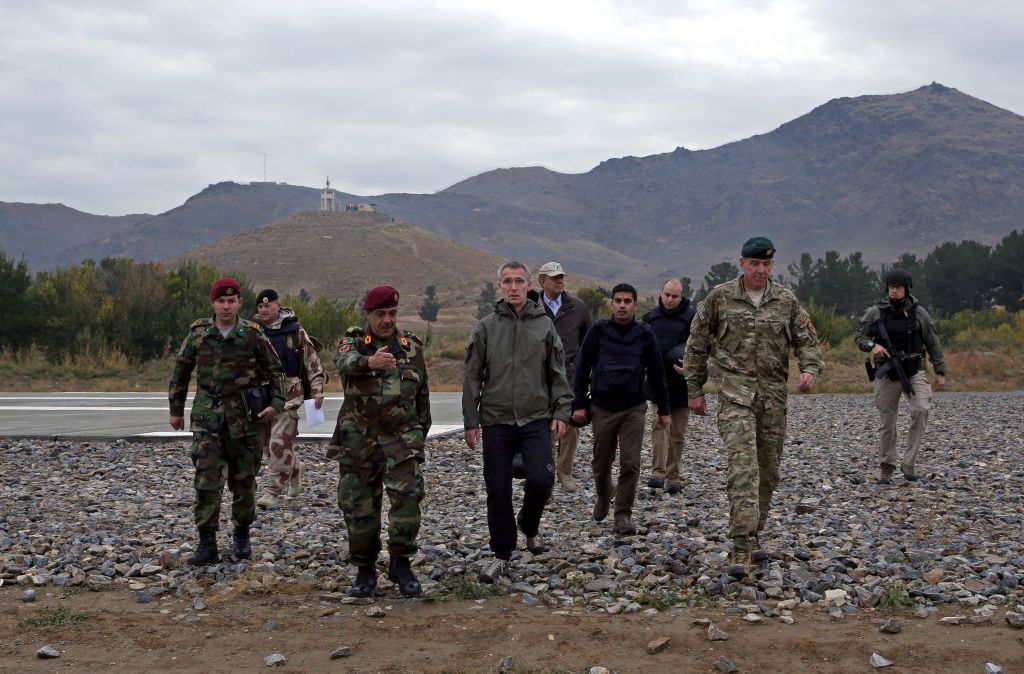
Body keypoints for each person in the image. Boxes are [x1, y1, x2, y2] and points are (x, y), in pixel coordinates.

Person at [681, 237, 823, 566]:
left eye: (767, 264)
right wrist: (694, 389)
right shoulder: (720, 298)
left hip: (773, 399)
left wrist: (810, 371)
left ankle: (755, 532)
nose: (761, 270)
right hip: (734, 396)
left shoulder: (785, 301)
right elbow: (696, 344)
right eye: (755, 264)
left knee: (768, 472)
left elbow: (807, 341)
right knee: (743, 468)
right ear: (742, 263)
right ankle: (741, 545)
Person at [463, 261, 573, 574]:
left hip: (536, 417)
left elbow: (557, 373)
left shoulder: (544, 325)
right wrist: (471, 421)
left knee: (542, 478)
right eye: (507, 282)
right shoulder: (486, 327)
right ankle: (503, 550)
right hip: (496, 418)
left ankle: (528, 521)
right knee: (498, 487)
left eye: (519, 281)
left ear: (528, 286)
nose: (513, 287)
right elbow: (472, 377)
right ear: (500, 286)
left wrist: (562, 410)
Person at [168, 277, 286, 566]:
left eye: (231, 301)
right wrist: (176, 409)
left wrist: (275, 405)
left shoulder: (253, 334)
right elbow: (181, 372)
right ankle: (207, 543)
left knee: (243, 482)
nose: (226, 306)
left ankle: (242, 539)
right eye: (221, 300)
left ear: (239, 304)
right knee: (206, 481)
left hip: (244, 420)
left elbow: (276, 372)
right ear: (213, 303)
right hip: (207, 419)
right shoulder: (198, 334)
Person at [326, 285, 431, 597]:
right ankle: (365, 569)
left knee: (408, 499)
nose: (387, 320)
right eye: (380, 314)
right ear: (368, 315)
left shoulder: (411, 346)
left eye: (392, 313)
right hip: (359, 440)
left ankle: (401, 562)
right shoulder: (354, 342)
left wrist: (418, 435)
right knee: (359, 507)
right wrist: (369, 363)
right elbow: (343, 361)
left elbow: (422, 396)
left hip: (401, 439)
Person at [573, 283, 671, 535]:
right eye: (618, 301)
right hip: (602, 408)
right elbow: (582, 369)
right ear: (612, 304)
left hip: (633, 408)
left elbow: (658, 374)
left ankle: (623, 514)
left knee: (630, 463)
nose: (622, 305)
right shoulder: (598, 331)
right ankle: (604, 494)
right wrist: (579, 404)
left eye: (627, 301)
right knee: (601, 463)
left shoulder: (645, 334)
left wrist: (664, 410)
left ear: (635, 305)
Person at [854, 268, 946, 483]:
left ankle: (909, 463)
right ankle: (887, 466)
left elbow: (933, 342)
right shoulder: (875, 312)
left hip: (914, 371)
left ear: (906, 288)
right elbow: (859, 336)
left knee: (921, 409)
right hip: (887, 374)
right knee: (887, 422)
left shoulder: (919, 313)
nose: (894, 291)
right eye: (891, 287)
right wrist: (872, 345)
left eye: (898, 287)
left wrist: (940, 371)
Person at [253, 289, 327, 508]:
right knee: (266, 446)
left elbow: (312, 361)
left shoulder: (294, 331)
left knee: (278, 442)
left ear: (278, 306)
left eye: (268, 306)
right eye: (260, 307)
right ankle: (295, 467)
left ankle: (271, 493)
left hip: (289, 395)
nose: (264, 310)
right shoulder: (253, 331)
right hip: (262, 395)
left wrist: (317, 390)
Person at [536, 261, 593, 492]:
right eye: (554, 277)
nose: (559, 281)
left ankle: (565, 472)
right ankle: (546, 474)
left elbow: (589, 343)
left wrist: (587, 373)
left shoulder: (577, 307)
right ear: (542, 281)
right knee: (544, 427)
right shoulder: (532, 307)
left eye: (561, 277)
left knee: (571, 426)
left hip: (571, 376)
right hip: (539, 377)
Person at [643, 278, 697, 494]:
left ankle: (674, 476)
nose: (670, 299)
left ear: (681, 296)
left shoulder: (693, 319)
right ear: (661, 293)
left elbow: (702, 348)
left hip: (682, 385)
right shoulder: (650, 318)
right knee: (659, 426)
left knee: (678, 432)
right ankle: (658, 472)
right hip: (658, 382)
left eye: (675, 296)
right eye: (667, 294)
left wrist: (690, 366)